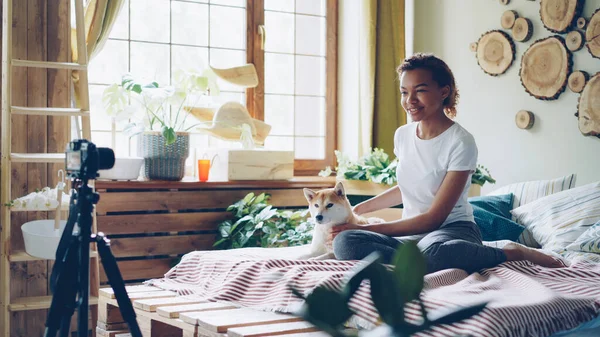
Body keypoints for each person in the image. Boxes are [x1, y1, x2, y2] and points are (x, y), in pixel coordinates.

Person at [331, 53, 562, 274]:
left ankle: (510, 252)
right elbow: (409, 187)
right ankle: (413, 260)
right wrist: (358, 211)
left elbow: (434, 218)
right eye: (404, 92)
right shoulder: (402, 135)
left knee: (435, 255)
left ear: (444, 92)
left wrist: (366, 228)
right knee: (345, 242)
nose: (409, 100)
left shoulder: (460, 141)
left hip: (452, 231)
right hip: (412, 237)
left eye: (420, 91)